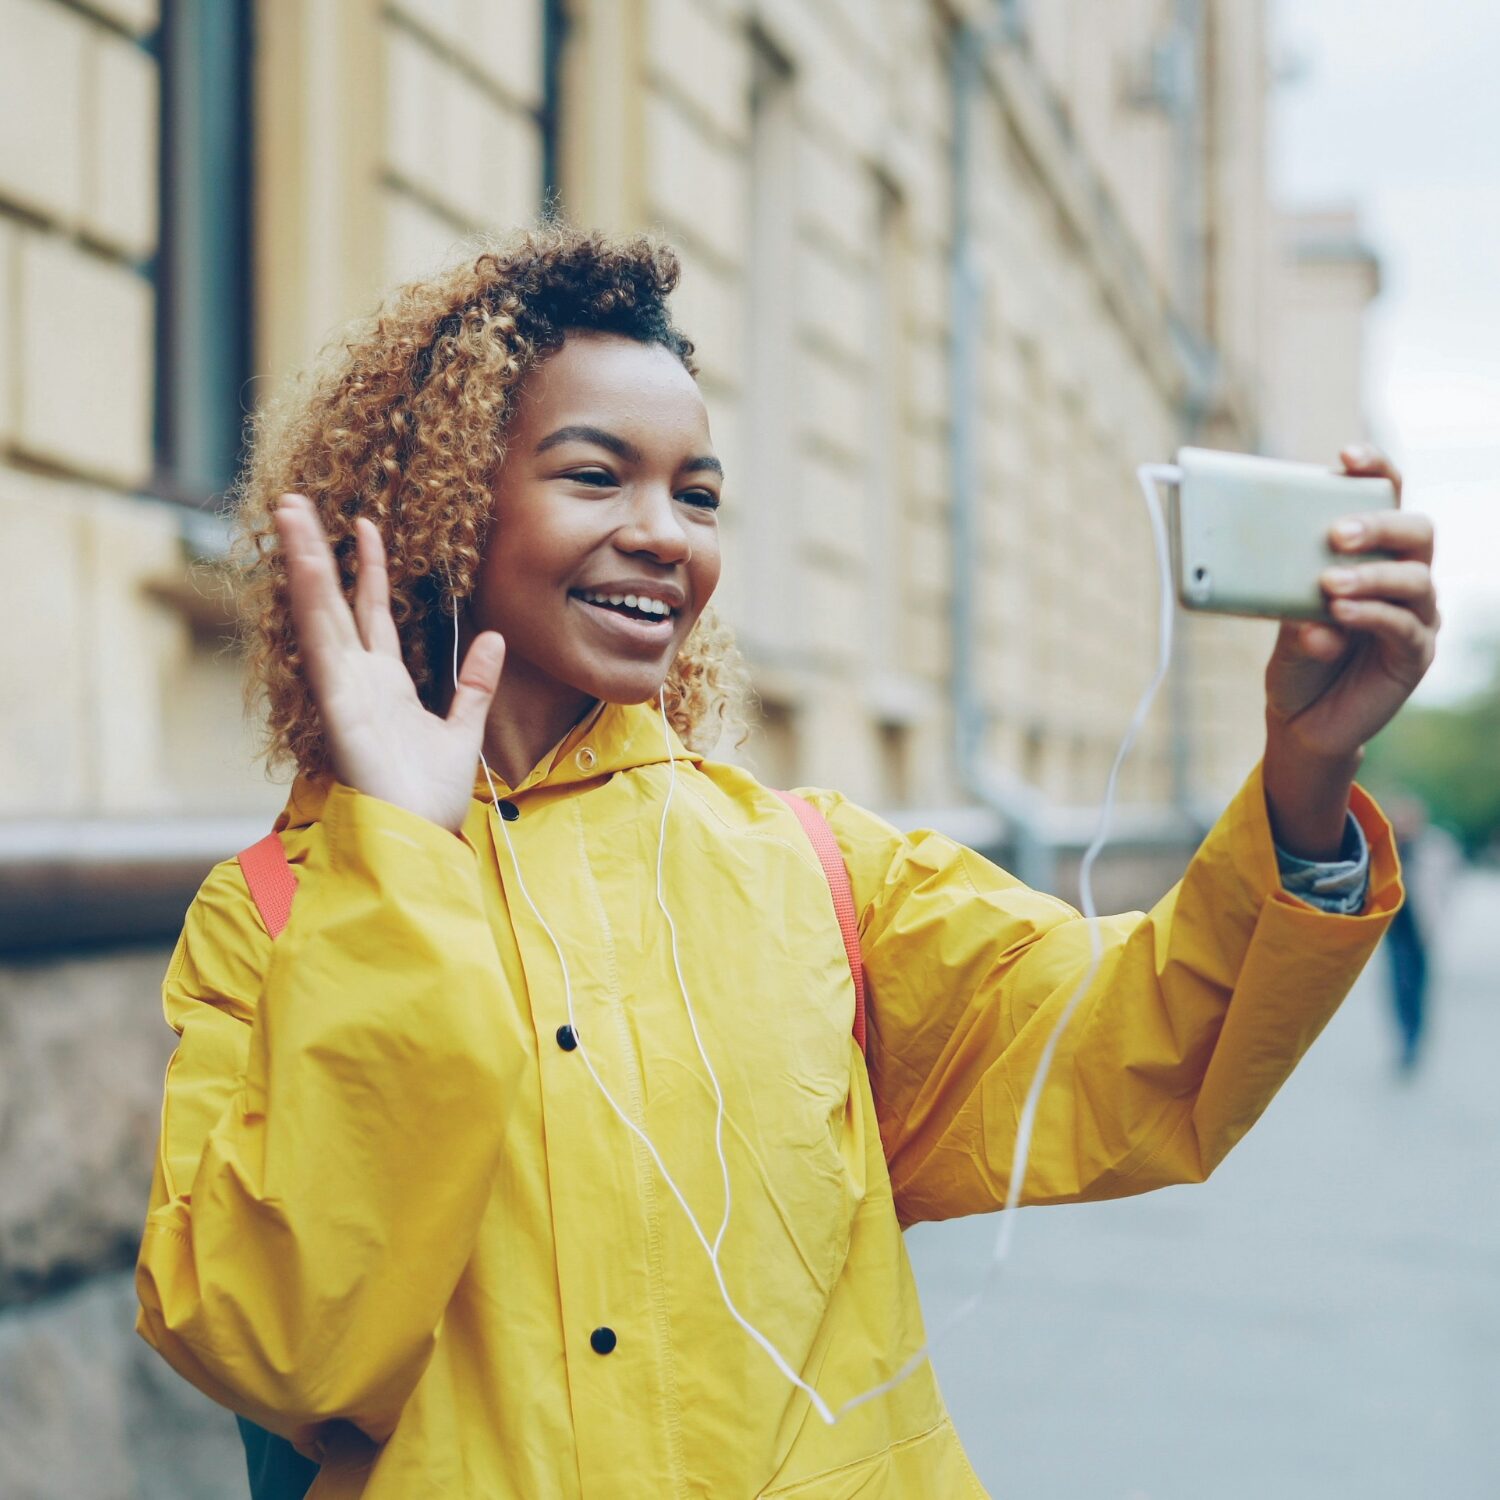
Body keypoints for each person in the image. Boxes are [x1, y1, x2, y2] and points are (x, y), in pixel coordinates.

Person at [134, 226, 1437, 1499]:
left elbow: (1143, 1052)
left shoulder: (819, 872)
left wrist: (1306, 772)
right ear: (445, 504)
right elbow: (285, 1352)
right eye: (597, 477)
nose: (666, 534)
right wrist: (404, 863)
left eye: (697, 493)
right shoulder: (275, 917)